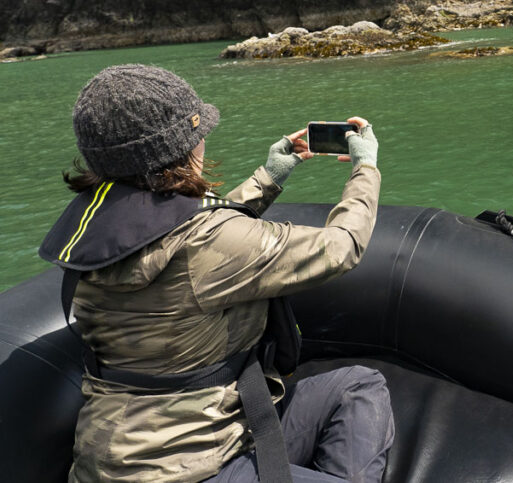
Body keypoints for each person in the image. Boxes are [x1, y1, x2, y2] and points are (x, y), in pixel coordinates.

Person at [39, 64, 394, 483]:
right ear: (181, 147)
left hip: (112, 457)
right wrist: (365, 168)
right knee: (363, 386)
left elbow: (183, 230)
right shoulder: (210, 245)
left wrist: (269, 176)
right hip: (189, 468)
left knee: (356, 385)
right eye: (197, 131)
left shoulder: (92, 229)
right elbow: (341, 247)